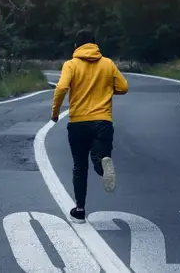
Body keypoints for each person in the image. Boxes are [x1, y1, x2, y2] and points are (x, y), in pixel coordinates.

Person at [51, 29, 129, 223]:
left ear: (75, 46)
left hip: (78, 122)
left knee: (79, 166)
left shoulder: (71, 65)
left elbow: (61, 88)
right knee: (102, 153)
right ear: (95, 45)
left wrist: (55, 112)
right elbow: (123, 87)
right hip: (103, 121)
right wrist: (104, 91)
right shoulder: (108, 64)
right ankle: (102, 164)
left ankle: (79, 210)